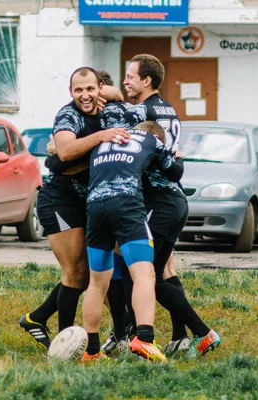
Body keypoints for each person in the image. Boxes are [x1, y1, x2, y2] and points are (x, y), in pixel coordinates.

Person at [104, 54, 220, 358]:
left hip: (160, 200)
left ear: (147, 81)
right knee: (159, 272)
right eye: (125, 77)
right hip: (174, 199)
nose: (125, 81)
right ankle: (184, 335)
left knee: (139, 273)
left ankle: (194, 333)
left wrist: (113, 95)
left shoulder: (139, 111)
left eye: (130, 77)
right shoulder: (168, 108)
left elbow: (108, 121)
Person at [19, 67, 128, 349]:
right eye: (78, 90)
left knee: (100, 270)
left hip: (88, 201)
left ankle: (119, 332)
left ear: (100, 88)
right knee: (76, 273)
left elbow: (119, 94)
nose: (85, 95)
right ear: (71, 92)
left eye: (90, 89)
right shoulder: (68, 115)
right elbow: (65, 151)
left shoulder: (107, 107)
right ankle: (64, 342)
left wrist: (110, 94)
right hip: (59, 200)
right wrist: (101, 137)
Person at [81, 121, 175, 363]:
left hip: (95, 207)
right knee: (144, 274)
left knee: (96, 282)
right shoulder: (151, 140)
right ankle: (144, 338)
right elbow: (175, 171)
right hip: (126, 203)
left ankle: (91, 351)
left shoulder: (103, 140)